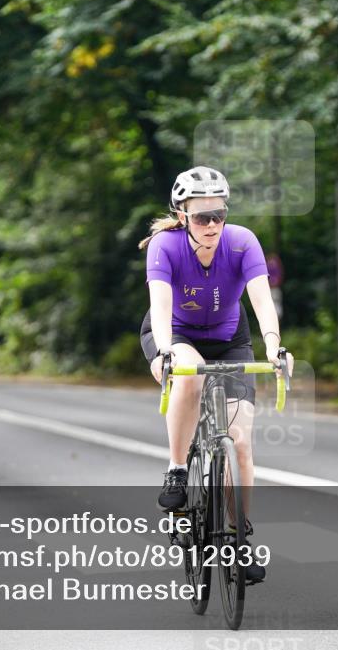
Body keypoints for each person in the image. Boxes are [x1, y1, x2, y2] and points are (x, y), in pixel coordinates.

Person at [137, 165, 294, 584]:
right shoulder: (164, 246)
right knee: (190, 374)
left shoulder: (243, 243)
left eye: (219, 215)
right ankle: (176, 468)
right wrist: (167, 353)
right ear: (183, 214)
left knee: (240, 442)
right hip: (176, 332)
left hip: (229, 338)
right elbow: (160, 306)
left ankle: (239, 538)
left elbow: (261, 300)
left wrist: (274, 346)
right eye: (202, 216)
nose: (212, 225)